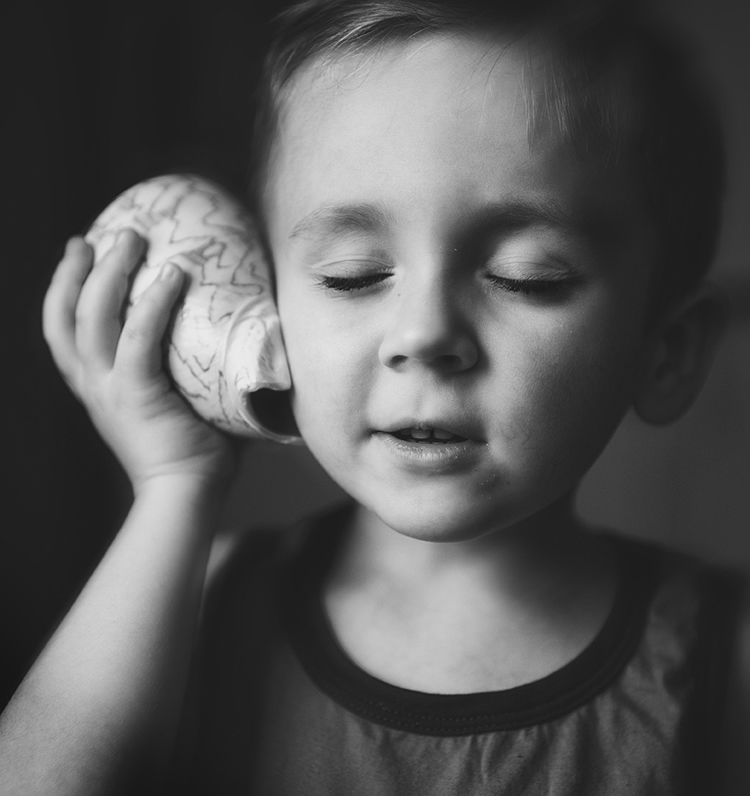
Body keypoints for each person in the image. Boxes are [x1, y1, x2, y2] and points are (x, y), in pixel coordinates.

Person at [1, 0, 747, 793]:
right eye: (351, 275)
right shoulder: (192, 595)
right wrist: (175, 486)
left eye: (529, 276)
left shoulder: (720, 665)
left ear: (664, 353)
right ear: (269, 298)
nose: (422, 333)